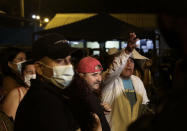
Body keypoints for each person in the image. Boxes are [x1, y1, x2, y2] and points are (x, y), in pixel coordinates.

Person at [14, 33, 78, 131]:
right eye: (59, 61)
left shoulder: (54, 93)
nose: (69, 66)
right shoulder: (44, 102)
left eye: (69, 60)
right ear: (39, 68)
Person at [101, 33, 150, 131]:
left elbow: (144, 106)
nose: (129, 64)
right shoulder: (109, 79)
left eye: (131, 61)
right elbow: (113, 71)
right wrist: (127, 51)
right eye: (126, 60)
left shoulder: (137, 81)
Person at [67, 56, 111, 131]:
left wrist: (100, 110)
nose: (99, 79)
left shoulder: (88, 93)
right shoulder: (80, 98)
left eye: (100, 74)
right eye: (94, 75)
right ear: (81, 76)